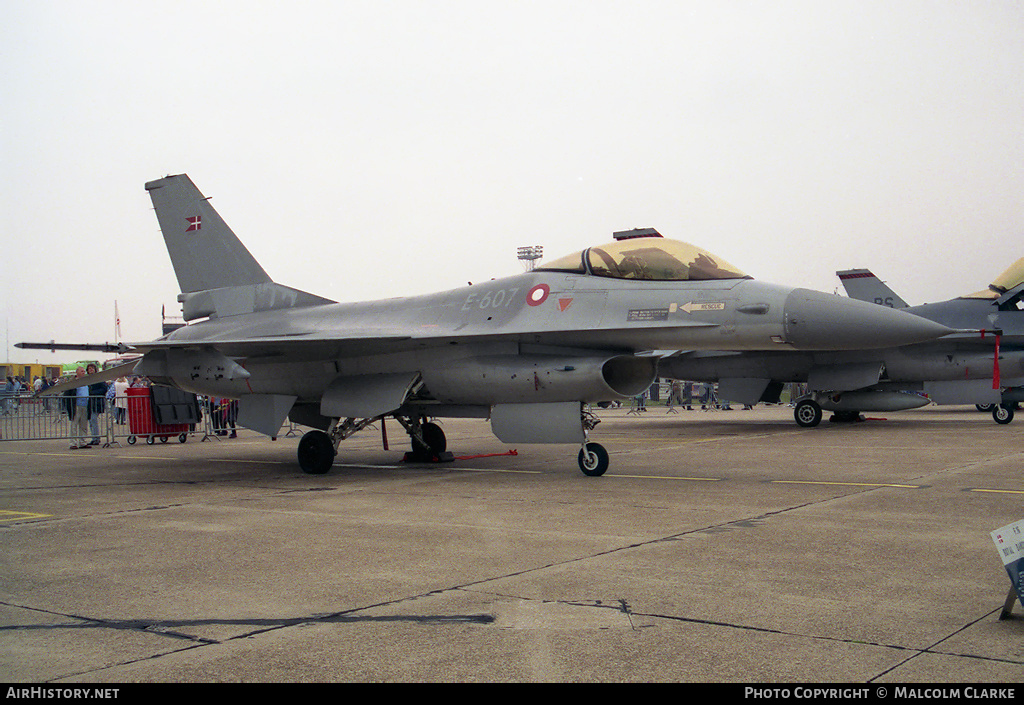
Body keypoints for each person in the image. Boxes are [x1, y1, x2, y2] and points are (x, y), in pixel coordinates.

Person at [65, 367, 91, 449]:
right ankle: (73, 443)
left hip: (85, 405)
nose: (83, 372)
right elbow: (67, 394)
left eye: (84, 371)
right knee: (74, 425)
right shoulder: (73, 382)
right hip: (76, 405)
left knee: (84, 425)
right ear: (77, 372)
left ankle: (83, 442)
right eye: (81, 371)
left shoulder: (87, 382)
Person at [86, 363, 106, 445]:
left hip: (97, 402)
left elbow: (104, 388)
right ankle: (94, 437)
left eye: (92, 368)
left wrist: (92, 393)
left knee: (93, 420)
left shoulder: (99, 378)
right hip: (90, 403)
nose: (91, 370)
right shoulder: (87, 379)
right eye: (89, 368)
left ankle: (96, 438)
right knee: (91, 421)